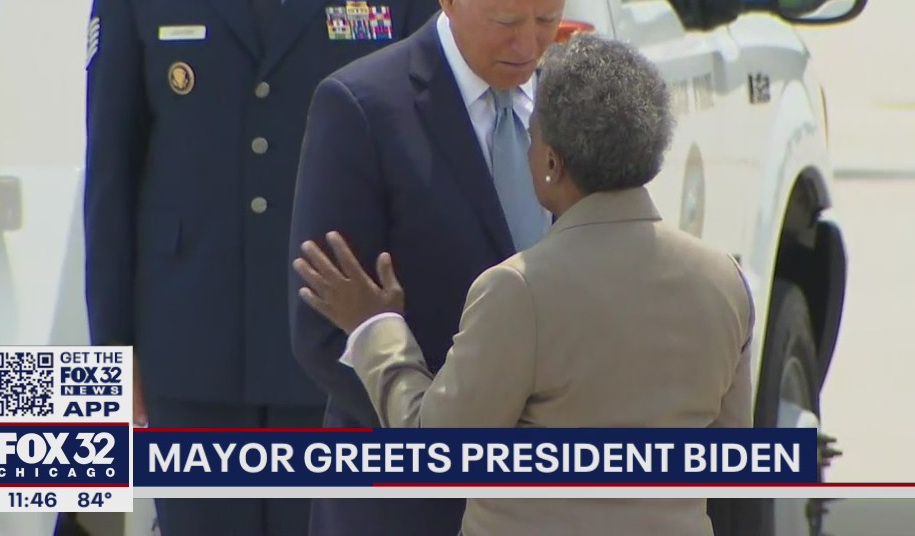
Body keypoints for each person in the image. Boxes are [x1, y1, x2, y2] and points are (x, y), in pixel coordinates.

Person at [82, 0, 440, 533]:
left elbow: (425, 172)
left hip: (342, 350)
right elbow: (112, 172)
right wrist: (113, 354)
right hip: (191, 348)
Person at [293, 33, 754, 536]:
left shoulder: (518, 290)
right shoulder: (724, 282)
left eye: (531, 135)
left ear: (552, 163)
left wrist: (375, 328)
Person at [287, 0, 570, 536]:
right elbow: (324, 329)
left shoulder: (570, 104)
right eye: (505, 21)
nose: (528, 45)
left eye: (546, 20)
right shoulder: (361, 109)